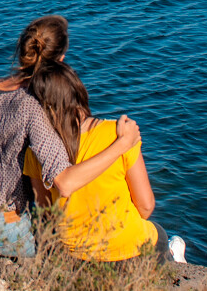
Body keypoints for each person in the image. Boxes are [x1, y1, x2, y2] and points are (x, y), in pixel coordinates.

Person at [0, 15, 141, 257]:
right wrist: (122, 144)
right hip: (6, 232)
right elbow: (64, 183)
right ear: (61, 61)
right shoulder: (34, 106)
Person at [23, 61, 185, 264]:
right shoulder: (119, 134)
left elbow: (46, 210)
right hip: (127, 248)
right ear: (79, 92)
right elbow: (145, 207)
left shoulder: (37, 151)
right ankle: (174, 260)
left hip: (74, 256)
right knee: (159, 234)